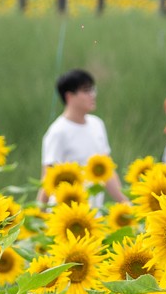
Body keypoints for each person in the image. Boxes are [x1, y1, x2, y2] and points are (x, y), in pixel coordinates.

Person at [41, 69, 128, 204]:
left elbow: (107, 171)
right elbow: (47, 179)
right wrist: (39, 216)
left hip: (92, 215)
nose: (93, 95)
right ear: (69, 96)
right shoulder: (58, 132)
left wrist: (126, 203)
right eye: (86, 91)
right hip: (64, 215)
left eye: (93, 90)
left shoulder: (97, 124)